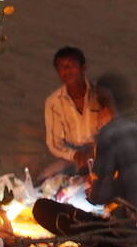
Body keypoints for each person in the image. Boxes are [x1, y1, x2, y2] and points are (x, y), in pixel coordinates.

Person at [32, 71, 137, 247]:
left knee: (43, 209)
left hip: (129, 238)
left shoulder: (109, 135)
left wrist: (91, 185)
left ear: (103, 104)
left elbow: (99, 197)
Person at [39, 45, 108, 181]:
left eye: (71, 66)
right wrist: (75, 155)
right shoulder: (53, 103)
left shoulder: (101, 95)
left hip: (101, 154)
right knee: (44, 179)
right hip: (72, 156)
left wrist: (93, 151)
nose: (67, 71)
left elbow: (110, 131)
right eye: (62, 67)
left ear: (83, 68)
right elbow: (54, 143)